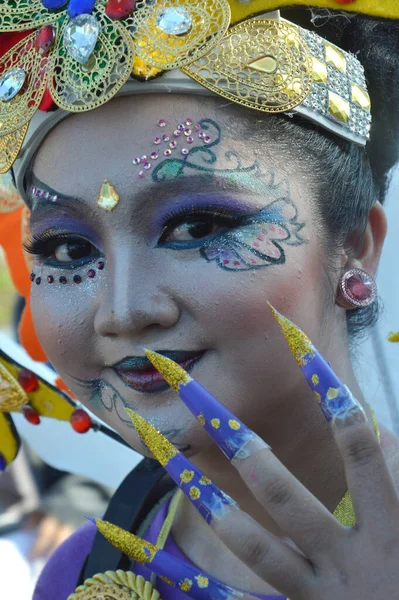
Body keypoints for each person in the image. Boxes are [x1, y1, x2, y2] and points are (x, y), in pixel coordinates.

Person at [0, 1, 399, 598]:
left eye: (196, 226)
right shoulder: (81, 575)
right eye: (65, 250)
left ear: (353, 245)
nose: (124, 311)